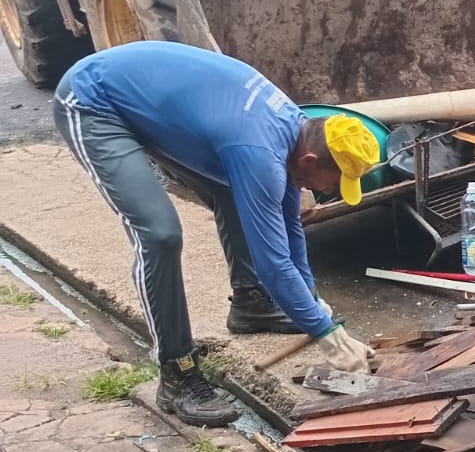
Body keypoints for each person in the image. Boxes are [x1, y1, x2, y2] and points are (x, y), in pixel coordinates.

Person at [54, 41, 380, 426]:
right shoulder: (259, 151)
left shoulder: (295, 128)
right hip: (94, 102)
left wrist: (313, 301)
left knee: (235, 188)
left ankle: (252, 303)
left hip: (149, 99)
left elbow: (289, 223)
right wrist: (328, 337)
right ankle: (176, 374)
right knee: (160, 234)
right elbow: (274, 263)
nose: (329, 191)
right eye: (334, 182)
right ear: (311, 160)